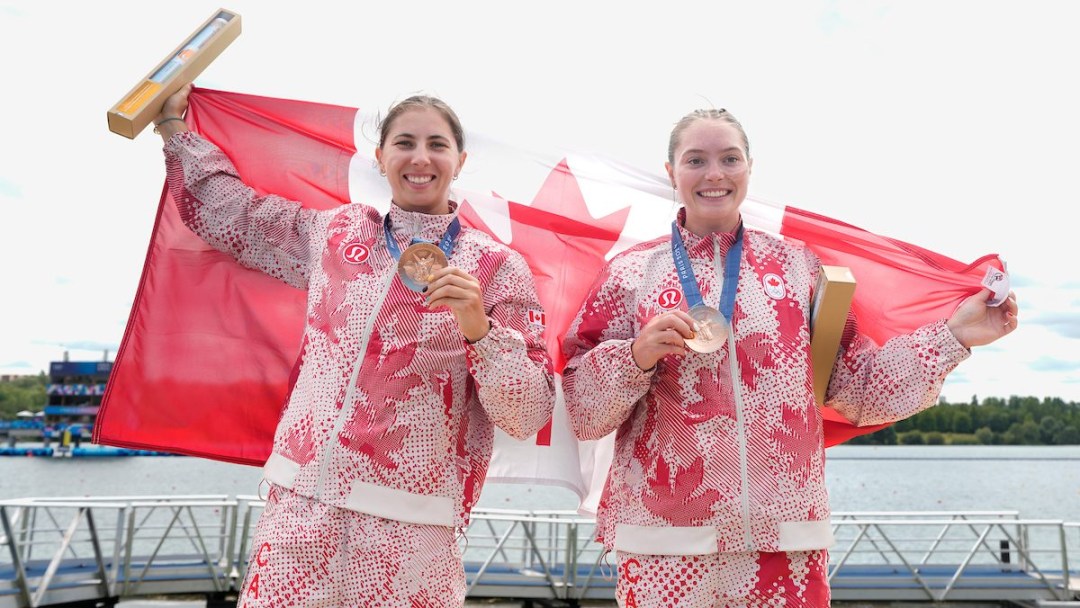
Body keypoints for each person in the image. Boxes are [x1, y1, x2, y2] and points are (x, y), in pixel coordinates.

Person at [561, 108, 1019, 607]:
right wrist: (635, 355)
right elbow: (584, 412)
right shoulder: (630, 273)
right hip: (663, 544)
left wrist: (954, 336)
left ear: (749, 168)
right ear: (671, 172)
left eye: (729, 158)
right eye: (696, 160)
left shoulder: (798, 267)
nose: (714, 174)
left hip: (787, 541)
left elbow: (861, 391)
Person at [154, 84, 556, 607]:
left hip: (412, 526)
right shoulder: (337, 234)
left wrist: (479, 328)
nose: (420, 158)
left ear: (460, 160)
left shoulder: (496, 267)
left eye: (436, 144)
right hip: (301, 508)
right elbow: (238, 217)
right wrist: (173, 130)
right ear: (380, 156)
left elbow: (527, 414)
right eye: (404, 142)